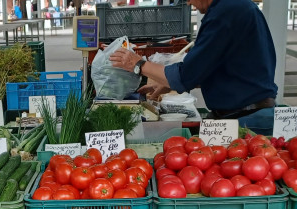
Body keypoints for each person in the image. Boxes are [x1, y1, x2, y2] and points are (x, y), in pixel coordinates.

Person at [109, 0, 277, 134]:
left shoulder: (225, 13)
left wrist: (137, 63)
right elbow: (214, 67)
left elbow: (185, 75)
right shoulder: (236, 7)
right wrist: (165, 84)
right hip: (247, 113)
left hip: (247, 119)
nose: (188, 3)